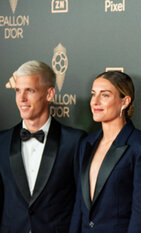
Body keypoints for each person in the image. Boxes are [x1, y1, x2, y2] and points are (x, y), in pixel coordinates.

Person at [0, 60, 85, 233]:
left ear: (50, 94)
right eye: (18, 91)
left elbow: (81, 202)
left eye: (30, 90)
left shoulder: (74, 142)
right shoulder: (2, 141)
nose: (21, 98)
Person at [69, 71, 141, 233]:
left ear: (124, 101)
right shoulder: (86, 143)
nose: (95, 102)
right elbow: (79, 205)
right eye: (93, 94)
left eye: (105, 95)